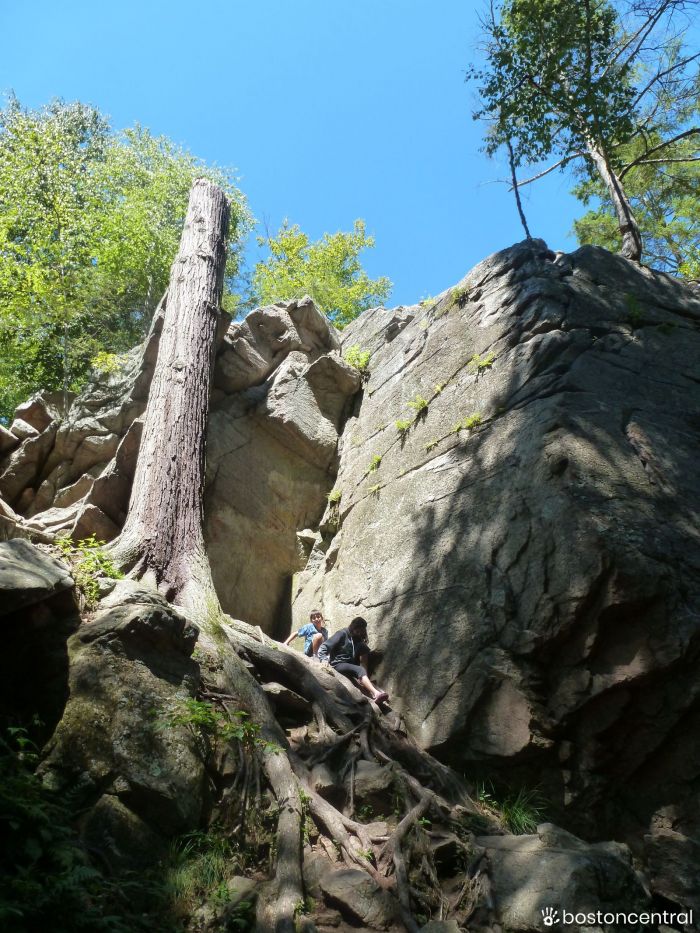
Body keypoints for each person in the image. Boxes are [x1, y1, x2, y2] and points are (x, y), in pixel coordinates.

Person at [318, 616, 389, 704]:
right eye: (357, 630)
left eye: (361, 630)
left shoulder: (358, 640)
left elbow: (364, 659)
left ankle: (379, 692)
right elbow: (324, 646)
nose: (359, 633)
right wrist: (323, 659)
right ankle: (376, 694)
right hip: (338, 664)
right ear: (353, 627)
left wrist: (364, 674)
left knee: (362, 660)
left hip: (350, 666)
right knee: (359, 669)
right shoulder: (342, 633)